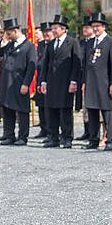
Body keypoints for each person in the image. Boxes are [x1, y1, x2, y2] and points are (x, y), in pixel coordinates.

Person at [81, 12, 112, 151]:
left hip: (104, 82)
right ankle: (93, 139)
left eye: (98, 26)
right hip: (91, 81)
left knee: (107, 112)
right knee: (92, 111)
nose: (96, 29)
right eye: (94, 26)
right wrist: (84, 81)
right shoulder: (91, 42)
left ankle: (109, 140)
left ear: (104, 27)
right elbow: (86, 64)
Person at [40, 15, 80, 148]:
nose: (53, 31)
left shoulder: (72, 42)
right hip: (52, 82)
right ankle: (53, 137)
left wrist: (74, 81)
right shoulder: (51, 44)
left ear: (63, 29)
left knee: (65, 110)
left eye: (56, 28)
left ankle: (67, 137)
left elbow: (76, 63)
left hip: (65, 82)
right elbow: (45, 64)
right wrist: (43, 81)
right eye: (52, 28)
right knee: (51, 110)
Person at [0, 18, 37, 145]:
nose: (7, 37)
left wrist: (26, 83)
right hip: (7, 82)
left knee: (22, 110)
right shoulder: (9, 45)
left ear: (15, 31)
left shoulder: (28, 46)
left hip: (19, 82)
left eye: (9, 34)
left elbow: (31, 66)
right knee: (7, 109)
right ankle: (9, 135)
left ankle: (22, 137)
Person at [32, 23, 51, 139]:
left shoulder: (53, 44)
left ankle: (51, 129)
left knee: (50, 107)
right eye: (44, 32)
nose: (45, 34)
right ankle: (43, 128)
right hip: (41, 77)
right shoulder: (41, 45)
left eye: (47, 31)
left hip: (52, 79)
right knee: (41, 106)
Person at [75, 23, 94, 140]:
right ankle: (86, 130)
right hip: (80, 76)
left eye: (87, 27)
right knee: (84, 106)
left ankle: (93, 132)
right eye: (84, 28)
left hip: (90, 78)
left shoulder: (94, 42)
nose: (85, 30)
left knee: (91, 105)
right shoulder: (81, 43)